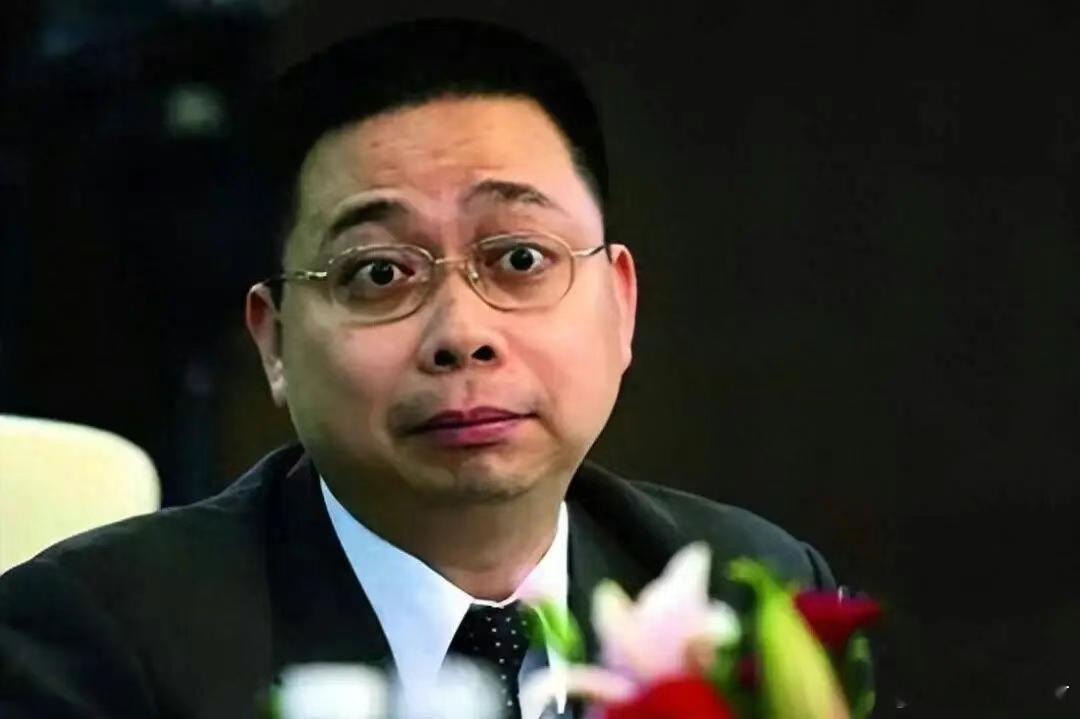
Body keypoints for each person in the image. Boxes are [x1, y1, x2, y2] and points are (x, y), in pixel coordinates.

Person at [0, 18, 840, 719]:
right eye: (378, 273)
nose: (462, 334)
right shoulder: (97, 646)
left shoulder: (744, 592)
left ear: (620, 304)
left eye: (519, 257)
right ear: (274, 343)